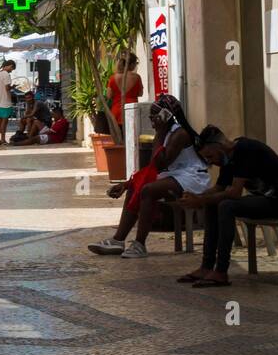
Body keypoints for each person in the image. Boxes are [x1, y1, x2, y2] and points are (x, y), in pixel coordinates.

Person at [89, 95, 209, 258]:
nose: (151, 119)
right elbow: (153, 168)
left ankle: (140, 244)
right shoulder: (166, 132)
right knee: (135, 186)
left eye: (154, 115)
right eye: (150, 115)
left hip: (192, 177)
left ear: (166, 116)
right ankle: (118, 240)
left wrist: (159, 133)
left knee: (148, 190)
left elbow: (159, 163)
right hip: (176, 175)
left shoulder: (179, 134)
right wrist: (127, 184)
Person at [176, 128, 278, 287]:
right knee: (212, 203)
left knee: (227, 206)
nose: (210, 162)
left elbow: (234, 193)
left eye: (210, 156)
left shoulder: (245, 150)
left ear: (219, 146)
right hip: (265, 199)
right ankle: (206, 267)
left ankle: (221, 271)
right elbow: (219, 188)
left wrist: (200, 199)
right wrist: (195, 196)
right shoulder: (227, 157)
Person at [106, 53, 143, 133]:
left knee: (119, 140)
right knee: (132, 137)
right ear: (132, 64)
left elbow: (108, 96)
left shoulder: (113, 78)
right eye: (136, 63)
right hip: (132, 110)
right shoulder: (137, 77)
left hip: (117, 112)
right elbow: (140, 93)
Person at [0, 60, 15, 146]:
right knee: (4, 122)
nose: (11, 70)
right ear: (9, 65)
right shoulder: (6, 74)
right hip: (5, 102)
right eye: (12, 68)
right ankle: (3, 140)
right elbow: (7, 88)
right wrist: (12, 87)